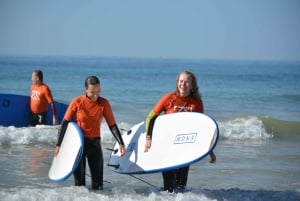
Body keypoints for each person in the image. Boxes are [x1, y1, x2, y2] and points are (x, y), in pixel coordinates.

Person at [144, 70, 216, 193]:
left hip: (184, 147)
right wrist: (148, 138)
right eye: (181, 81)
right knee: (170, 188)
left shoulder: (197, 103)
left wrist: (209, 150)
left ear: (192, 86)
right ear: (177, 83)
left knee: (181, 187)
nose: (183, 84)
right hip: (166, 147)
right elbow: (151, 117)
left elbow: (201, 127)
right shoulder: (168, 98)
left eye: (187, 82)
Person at [55, 75, 126, 190]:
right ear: (86, 90)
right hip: (79, 146)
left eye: (98, 91)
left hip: (95, 145)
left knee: (98, 186)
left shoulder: (104, 103)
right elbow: (65, 123)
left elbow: (112, 125)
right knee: (79, 186)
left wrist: (121, 143)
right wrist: (59, 144)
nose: (95, 95)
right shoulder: (77, 102)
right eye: (92, 92)